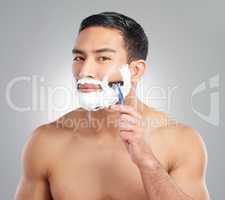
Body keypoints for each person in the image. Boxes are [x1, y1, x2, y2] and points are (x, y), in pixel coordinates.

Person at [15, 12, 209, 200]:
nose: (84, 71)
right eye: (79, 58)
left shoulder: (181, 141)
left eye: (103, 58)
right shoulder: (46, 142)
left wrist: (148, 163)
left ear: (135, 70)